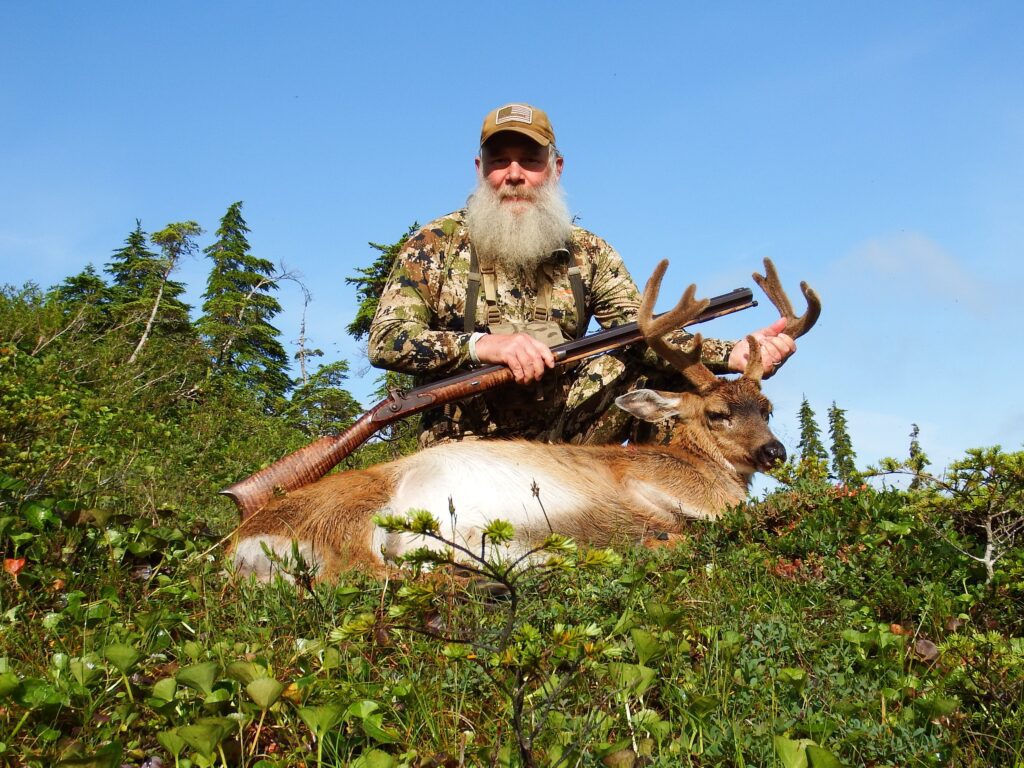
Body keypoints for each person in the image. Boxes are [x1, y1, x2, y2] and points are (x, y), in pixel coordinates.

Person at [368, 103, 795, 447]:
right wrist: (484, 345)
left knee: (657, 371)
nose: (514, 175)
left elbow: (640, 335)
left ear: (556, 168)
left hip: (567, 441)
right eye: (500, 162)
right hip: (463, 445)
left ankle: (665, 523)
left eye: (530, 161)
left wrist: (733, 355)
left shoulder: (589, 253)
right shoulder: (434, 244)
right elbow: (388, 339)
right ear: (480, 169)